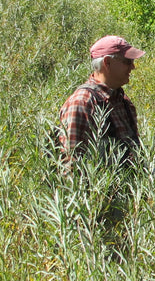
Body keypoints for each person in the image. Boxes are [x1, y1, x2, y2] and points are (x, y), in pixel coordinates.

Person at [57, 35, 145, 250]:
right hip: (95, 215)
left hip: (124, 209)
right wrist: (83, 222)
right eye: (126, 61)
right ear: (107, 63)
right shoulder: (82, 103)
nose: (132, 67)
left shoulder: (122, 101)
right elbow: (71, 165)